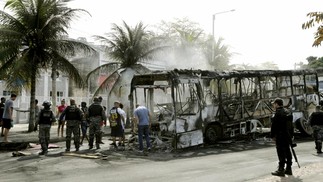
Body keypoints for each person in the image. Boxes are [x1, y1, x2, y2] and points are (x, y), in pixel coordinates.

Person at [270, 98, 294, 176]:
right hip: (287, 135)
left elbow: (274, 126)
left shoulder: (278, 113)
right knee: (287, 151)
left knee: (281, 152)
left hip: (280, 136)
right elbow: (291, 125)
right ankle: (289, 169)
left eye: (274, 104)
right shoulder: (288, 111)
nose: (273, 105)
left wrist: (272, 136)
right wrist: (291, 135)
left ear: (277, 104)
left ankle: (281, 169)